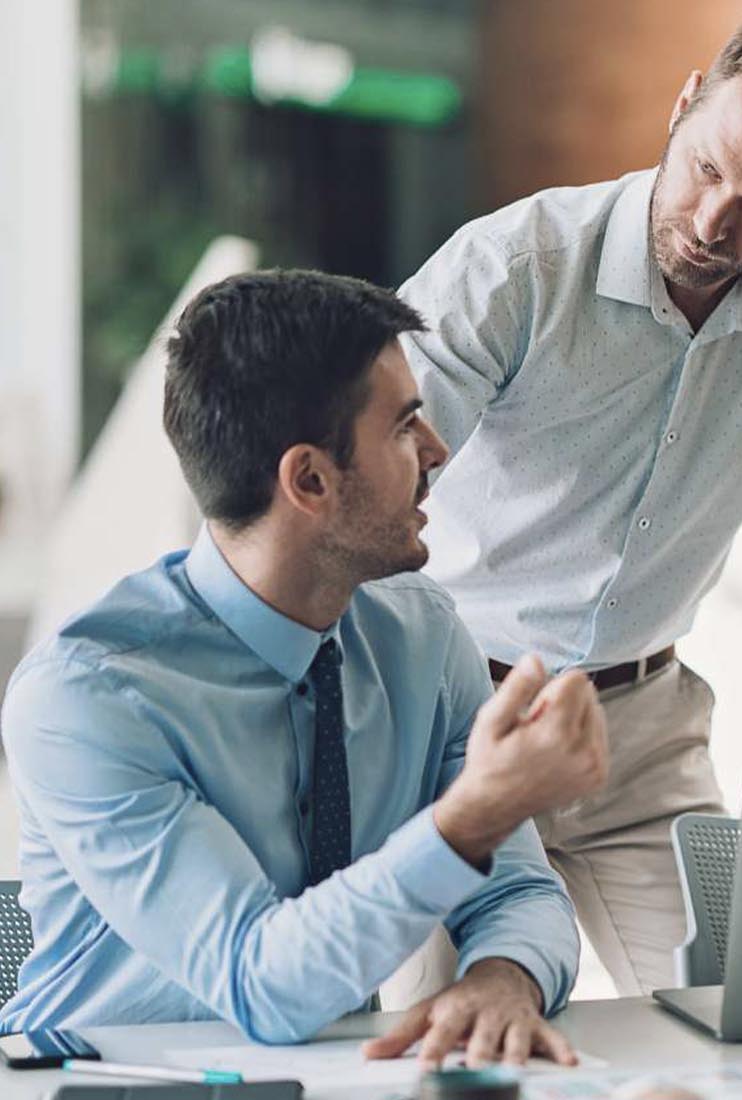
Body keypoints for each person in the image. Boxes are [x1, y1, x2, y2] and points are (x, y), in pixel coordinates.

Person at [396, 9, 742, 995]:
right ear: (685, 104)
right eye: (706, 168)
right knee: (431, 1041)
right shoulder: (514, 266)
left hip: (643, 741)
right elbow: (368, 496)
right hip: (449, 722)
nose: (713, 221)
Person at [0, 271, 608, 1069]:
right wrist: (472, 817)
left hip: (334, 1077)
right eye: (405, 426)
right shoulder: (87, 697)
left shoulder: (422, 635)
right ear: (310, 481)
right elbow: (260, 983)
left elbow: (520, 891)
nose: (438, 450)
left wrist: (504, 976)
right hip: (106, 1083)